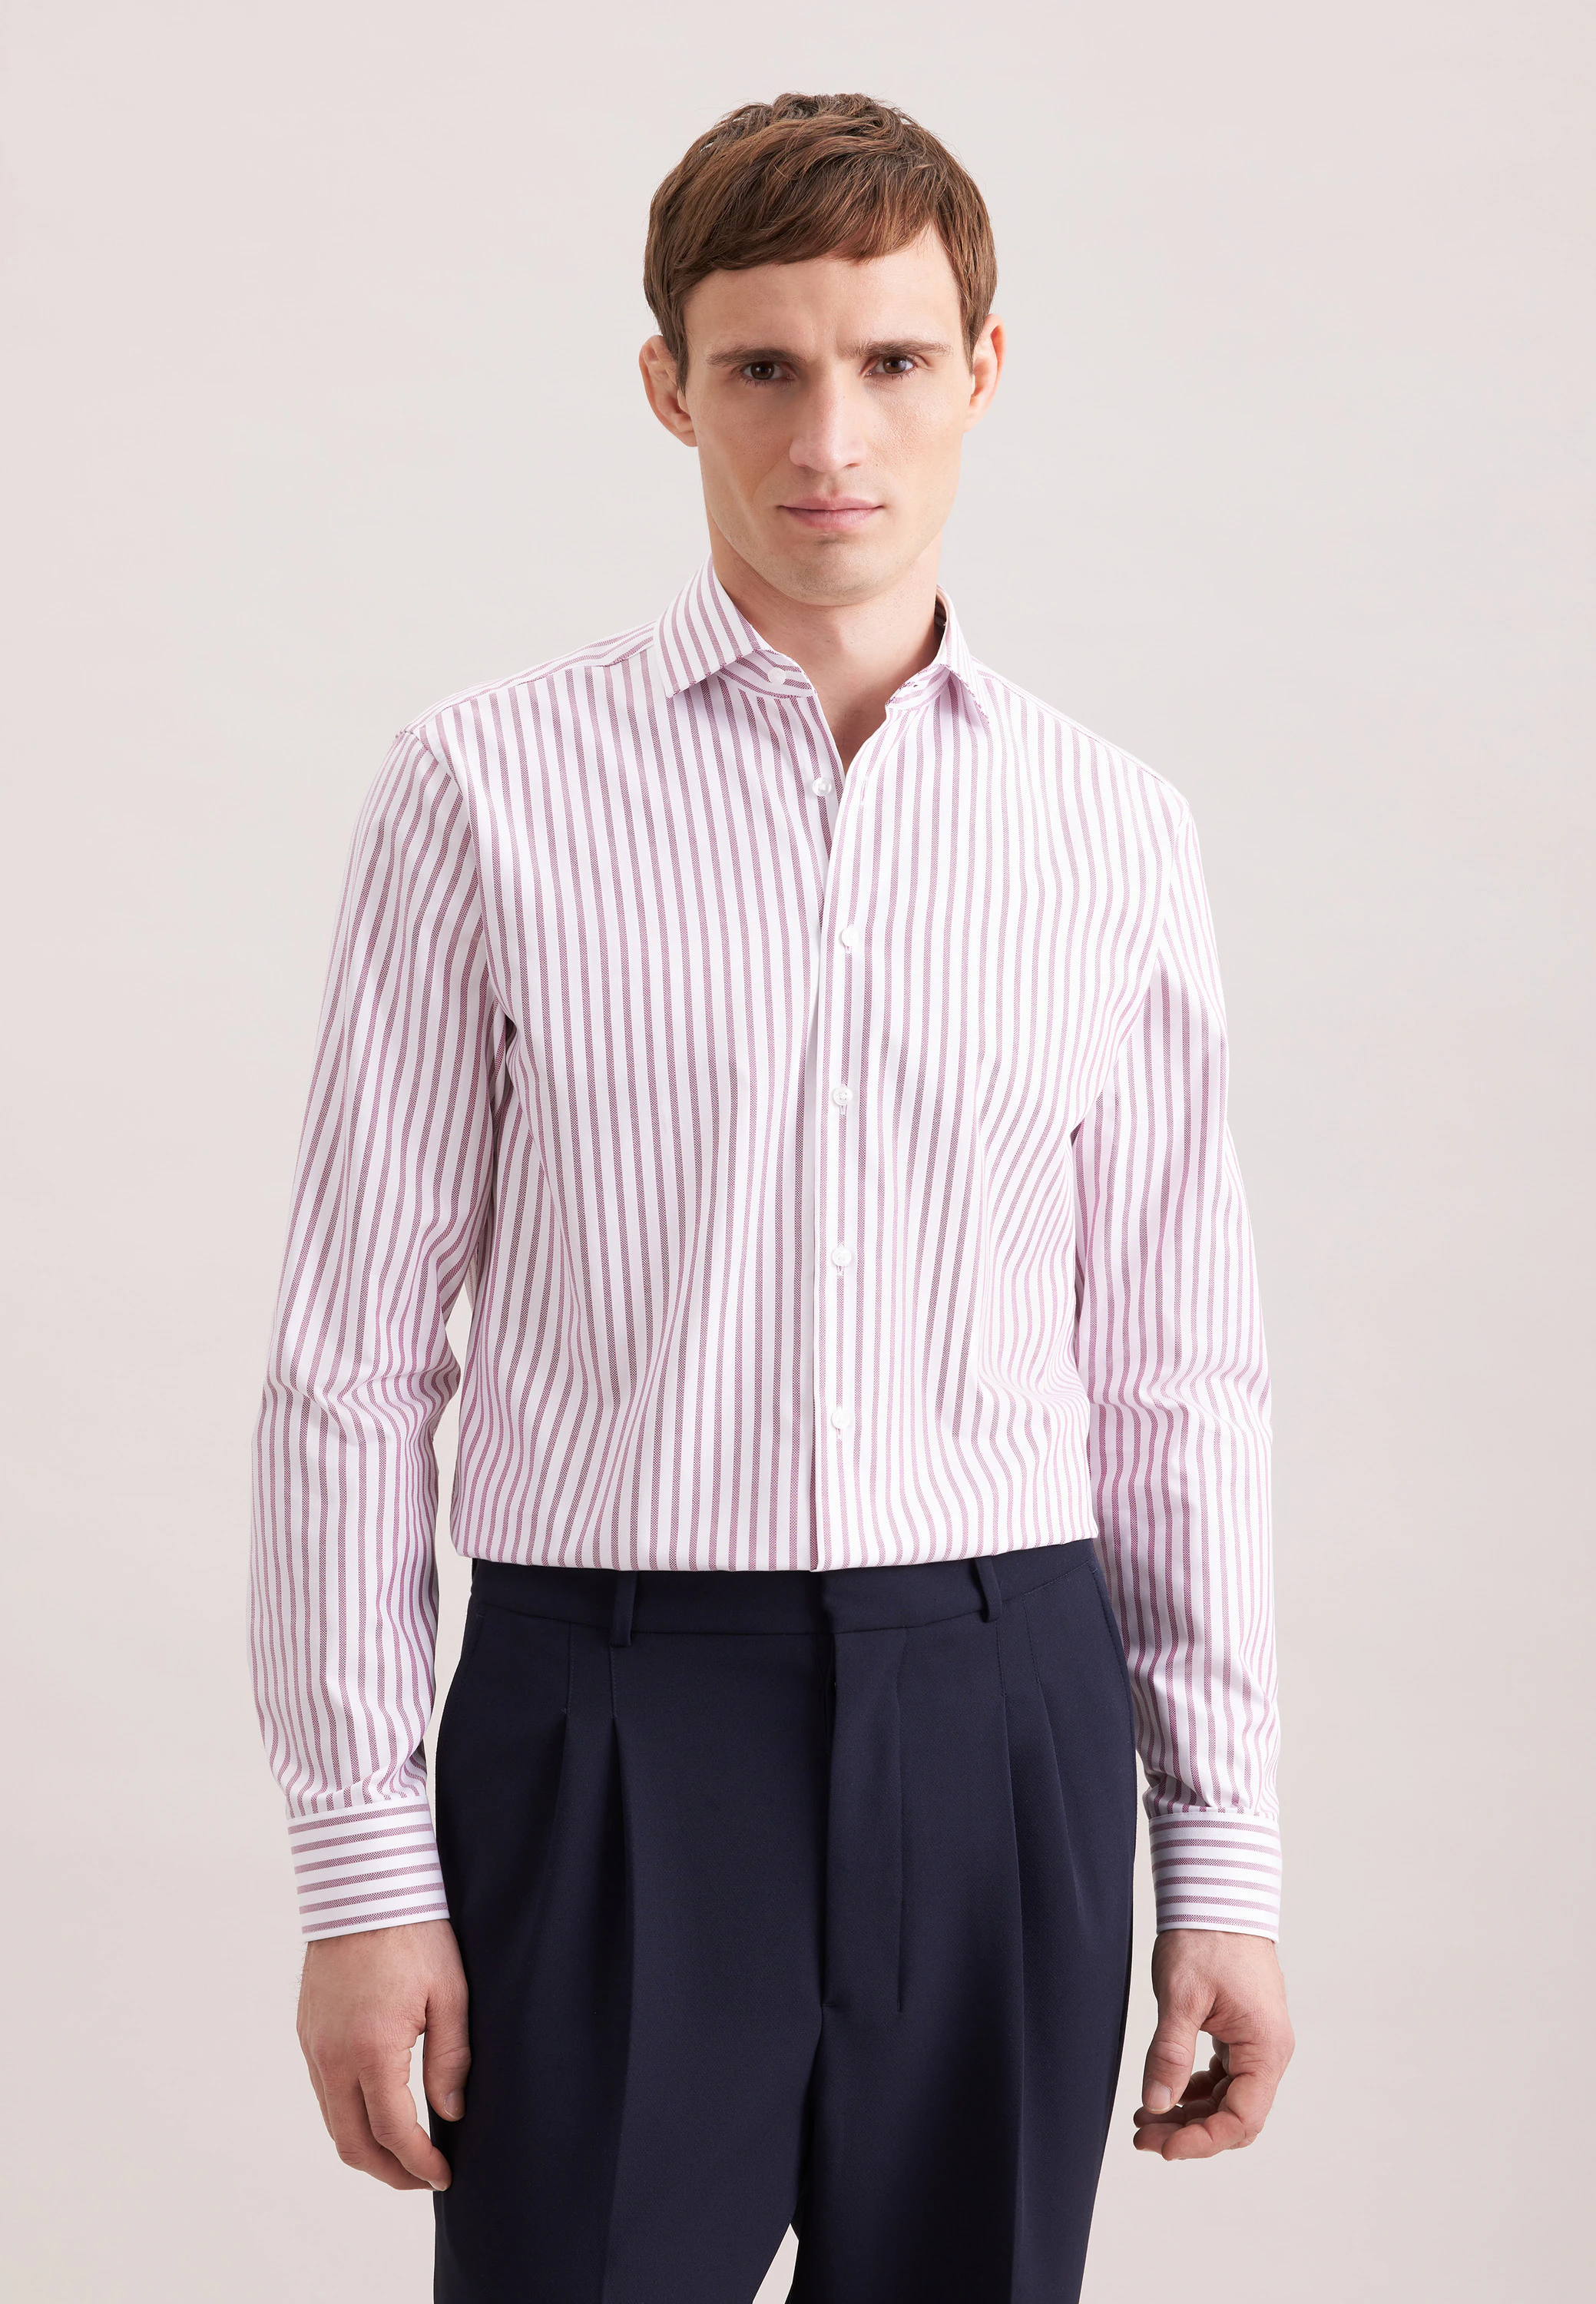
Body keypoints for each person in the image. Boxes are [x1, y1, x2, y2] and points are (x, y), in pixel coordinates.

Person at [250, 90, 1293, 2304]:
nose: (832, 435)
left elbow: (1174, 1380)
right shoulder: (485, 791)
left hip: (1000, 1713)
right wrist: (360, 1869)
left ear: (980, 370)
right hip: (609, 1714)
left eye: (893, 360)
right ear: (670, 383)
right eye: (764, 366)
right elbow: (352, 1363)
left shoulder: (1111, 832)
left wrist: (1223, 1856)